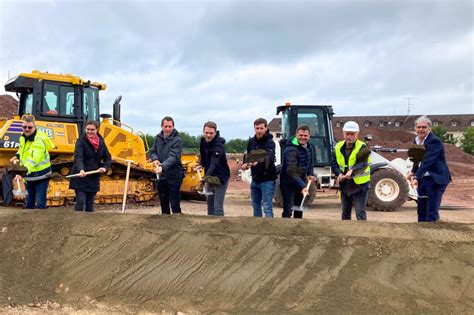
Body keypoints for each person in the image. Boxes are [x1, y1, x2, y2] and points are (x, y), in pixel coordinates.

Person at [407, 115, 451, 222]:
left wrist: (417, 176)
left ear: (429, 129)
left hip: (436, 179)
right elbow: (416, 158)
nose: (421, 129)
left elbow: (428, 161)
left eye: (424, 127)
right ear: (415, 128)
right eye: (419, 127)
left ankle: (433, 236)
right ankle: (421, 235)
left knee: (431, 211)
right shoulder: (416, 140)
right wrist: (413, 172)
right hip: (423, 179)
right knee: (421, 209)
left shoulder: (434, 141)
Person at [10, 115, 55, 209]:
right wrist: (17, 155)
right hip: (29, 177)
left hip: (41, 176)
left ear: (34, 127)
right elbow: (23, 149)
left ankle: (40, 223)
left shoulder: (38, 142)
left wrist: (24, 169)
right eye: (24, 127)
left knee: (39, 205)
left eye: (29, 127)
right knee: (29, 203)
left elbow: (33, 159)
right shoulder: (23, 138)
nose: (27, 129)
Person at [330, 121, 370, 221]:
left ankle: (362, 234)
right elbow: (334, 163)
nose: (350, 137)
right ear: (343, 133)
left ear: (357, 134)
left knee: (360, 212)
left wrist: (352, 170)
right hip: (345, 185)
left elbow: (363, 163)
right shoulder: (338, 146)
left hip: (360, 185)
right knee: (345, 212)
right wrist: (338, 173)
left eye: (352, 134)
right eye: (347, 134)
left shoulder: (363, 146)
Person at [69, 120, 111, 212]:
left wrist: (104, 167)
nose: (89, 132)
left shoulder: (101, 143)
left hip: (93, 176)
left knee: (90, 203)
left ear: (97, 130)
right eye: (88, 129)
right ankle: (76, 223)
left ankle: (89, 225)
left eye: (92, 129)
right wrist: (81, 169)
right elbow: (78, 157)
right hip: (81, 176)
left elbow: (108, 158)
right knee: (80, 201)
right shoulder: (80, 141)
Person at [241, 118, 277, 218]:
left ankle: (269, 227)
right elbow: (248, 156)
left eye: (261, 128)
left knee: (267, 206)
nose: (259, 130)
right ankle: (257, 227)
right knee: (255, 205)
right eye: (257, 128)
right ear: (254, 128)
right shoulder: (251, 142)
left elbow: (270, 156)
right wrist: (245, 164)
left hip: (267, 179)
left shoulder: (270, 142)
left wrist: (258, 161)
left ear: (266, 128)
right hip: (255, 179)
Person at [280, 125, 316, 219]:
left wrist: (310, 174)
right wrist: (303, 186)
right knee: (288, 209)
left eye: (305, 135)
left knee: (299, 208)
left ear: (309, 136)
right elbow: (291, 171)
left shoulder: (310, 147)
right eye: (301, 135)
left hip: (301, 181)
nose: (303, 137)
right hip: (288, 183)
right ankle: (286, 228)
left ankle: (297, 228)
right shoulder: (291, 149)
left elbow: (310, 163)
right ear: (296, 135)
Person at [150, 116, 184, 215]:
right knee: (163, 202)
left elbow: (173, 157)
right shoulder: (158, 138)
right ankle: (165, 221)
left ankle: (177, 220)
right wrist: (155, 159)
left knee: (174, 202)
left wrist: (162, 166)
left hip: (174, 175)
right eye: (166, 126)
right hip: (162, 175)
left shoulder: (177, 140)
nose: (168, 129)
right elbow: (153, 151)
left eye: (170, 126)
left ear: (173, 127)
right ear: (162, 126)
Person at [198, 121, 230, 216]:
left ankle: (220, 227)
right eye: (206, 133)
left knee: (217, 205)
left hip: (220, 178)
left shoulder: (218, 145)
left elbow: (214, 163)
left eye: (211, 133)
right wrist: (201, 164)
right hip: (210, 176)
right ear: (203, 132)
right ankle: (210, 226)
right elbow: (204, 158)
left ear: (215, 133)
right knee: (210, 203)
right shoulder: (203, 142)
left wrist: (205, 177)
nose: (208, 135)